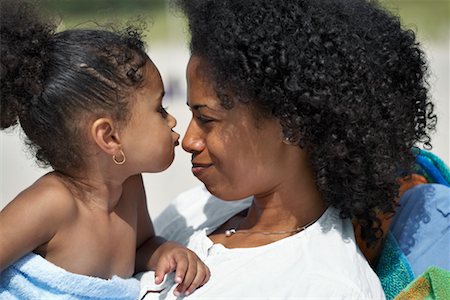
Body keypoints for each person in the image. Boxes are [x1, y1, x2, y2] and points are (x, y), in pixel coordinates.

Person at [139, 0, 437, 298]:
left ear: (291, 125)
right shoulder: (193, 208)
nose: (189, 140)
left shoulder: (324, 287)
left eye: (206, 119)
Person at [0, 0, 209, 299]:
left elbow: (140, 246)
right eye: (159, 109)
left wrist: (166, 250)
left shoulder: (130, 186)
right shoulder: (52, 203)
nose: (172, 119)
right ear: (109, 137)